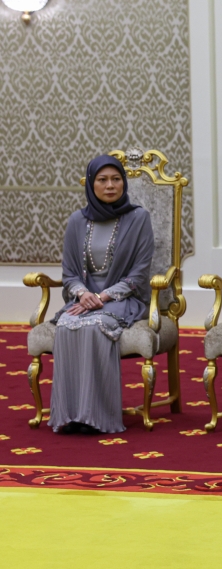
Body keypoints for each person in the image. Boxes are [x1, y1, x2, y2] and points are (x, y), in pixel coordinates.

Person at [48, 155, 155, 434]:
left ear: (124, 183)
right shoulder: (77, 221)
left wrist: (104, 297)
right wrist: (83, 294)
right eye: (103, 180)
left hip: (122, 300)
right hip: (83, 300)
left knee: (97, 327)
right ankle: (72, 414)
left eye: (116, 179)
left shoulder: (138, 218)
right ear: (91, 184)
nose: (110, 186)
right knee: (67, 325)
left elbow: (139, 273)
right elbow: (69, 273)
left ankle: (96, 416)